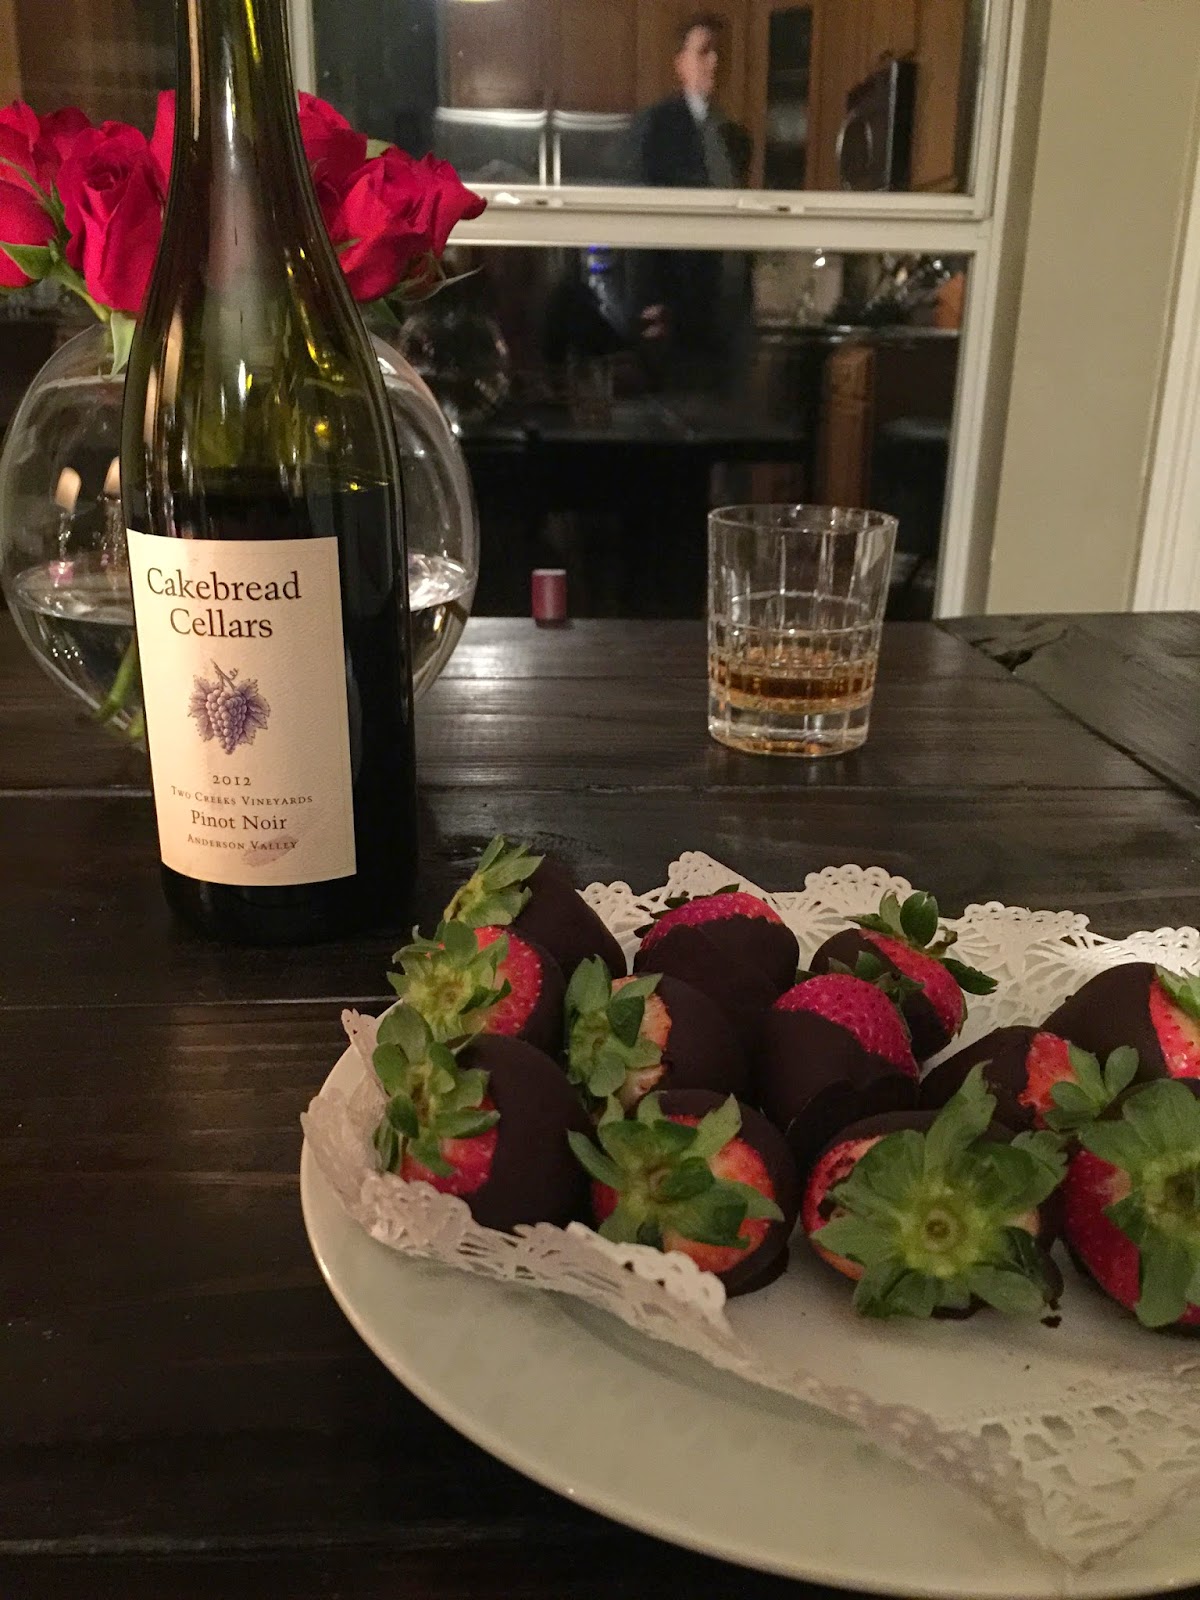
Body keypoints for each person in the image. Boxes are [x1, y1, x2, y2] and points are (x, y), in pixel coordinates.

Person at [627, 13, 752, 391]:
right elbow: (640, 213)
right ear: (680, 63)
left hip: (728, 314)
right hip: (675, 310)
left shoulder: (735, 138)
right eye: (704, 52)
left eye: (719, 54)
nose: (714, 62)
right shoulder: (657, 126)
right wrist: (649, 299)